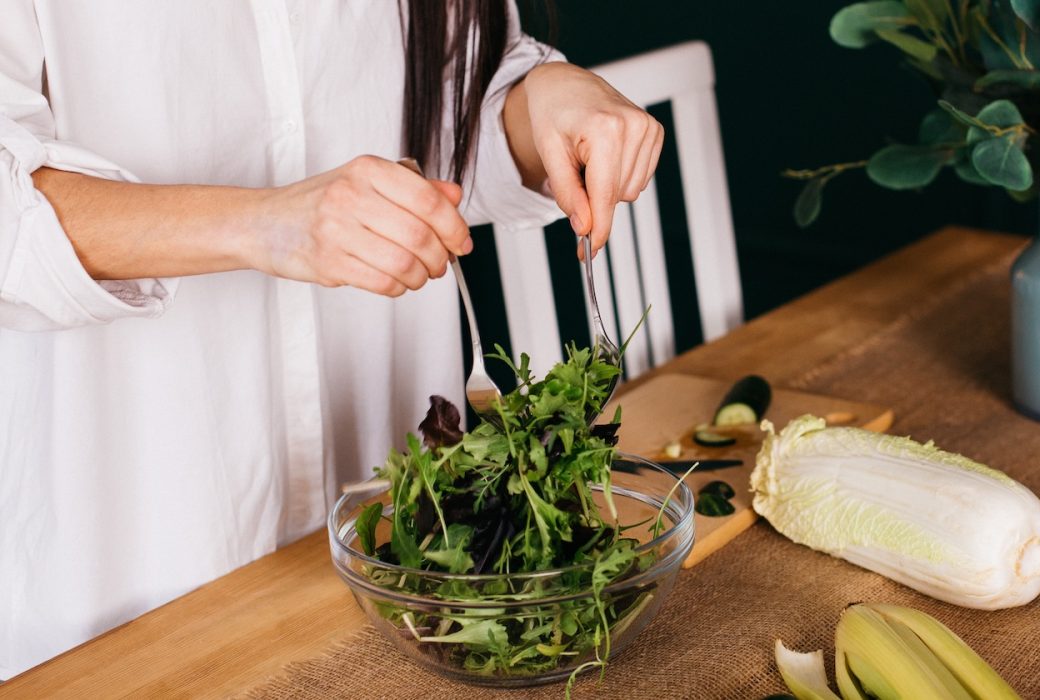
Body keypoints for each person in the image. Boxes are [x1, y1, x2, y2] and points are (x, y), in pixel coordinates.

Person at [0, 1, 663, 677]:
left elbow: (458, 109)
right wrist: (262, 222)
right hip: (130, 564)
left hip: (401, 570)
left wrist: (542, 97)